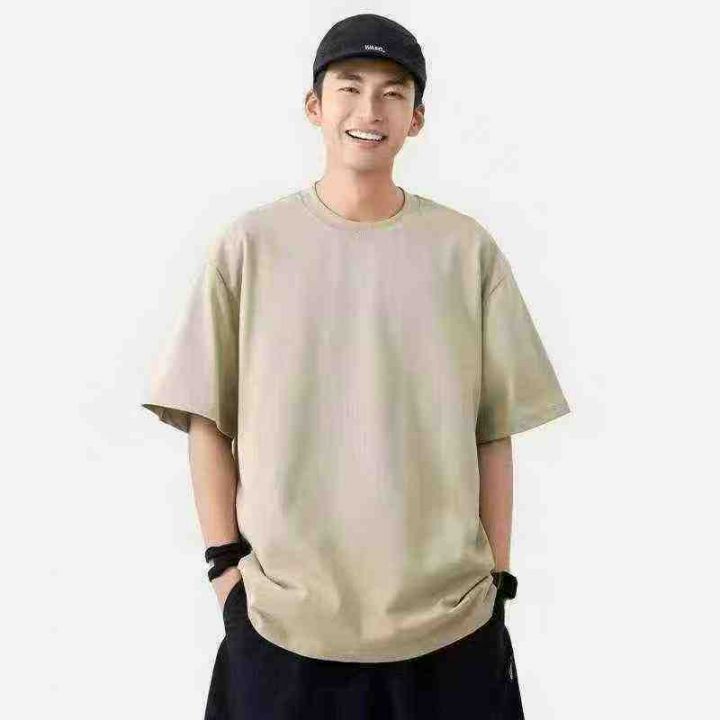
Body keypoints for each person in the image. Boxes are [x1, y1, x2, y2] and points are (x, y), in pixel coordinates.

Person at [141, 12, 570, 719]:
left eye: (393, 93)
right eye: (350, 87)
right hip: (283, 625)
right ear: (315, 106)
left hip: (449, 624)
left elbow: (493, 430)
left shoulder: (466, 252)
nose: (369, 110)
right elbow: (205, 419)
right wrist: (225, 572)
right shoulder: (249, 247)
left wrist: (497, 583)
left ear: (416, 119)